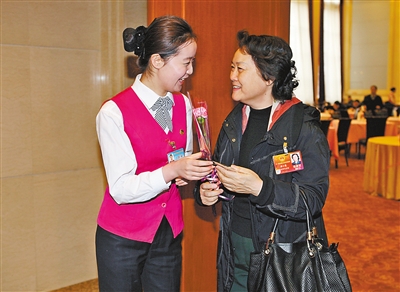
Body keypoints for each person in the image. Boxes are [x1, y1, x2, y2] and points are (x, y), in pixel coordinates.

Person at [194, 30, 330, 292]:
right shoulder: (233, 122)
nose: (232, 76)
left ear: (268, 77)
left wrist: (260, 188)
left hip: (283, 255)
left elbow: (311, 199)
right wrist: (204, 192)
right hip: (235, 248)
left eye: (240, 69)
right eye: (232, 68)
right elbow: (214, 174)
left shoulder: (303, 126)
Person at [95, 15, 213, 292]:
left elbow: (180, 156)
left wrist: (189, 174)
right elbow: (121, 189)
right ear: (158, 60)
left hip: (167, 232)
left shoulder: (182, 103)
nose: (191, 71)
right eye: (185, 62)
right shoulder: (113, 113)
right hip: (123, 238)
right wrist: (173, 171)